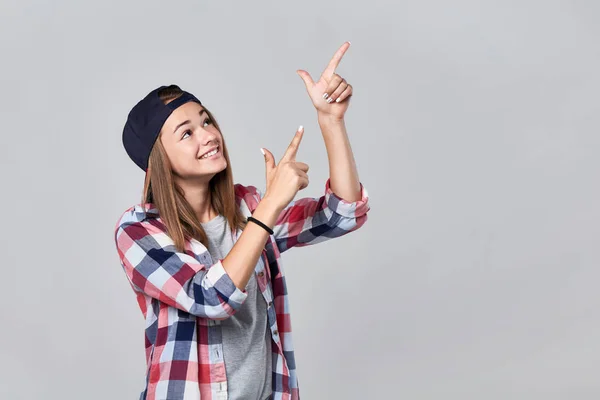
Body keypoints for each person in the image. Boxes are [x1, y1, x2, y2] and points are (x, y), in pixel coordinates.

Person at [114, 42, 370, 400]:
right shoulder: (139, 231)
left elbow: (341, 214)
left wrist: (331, 121)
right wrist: (270, 207)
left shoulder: (246, 208)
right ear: (159, 160)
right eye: (187, 133)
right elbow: (210, 297)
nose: (208, 135)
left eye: (206, 120)